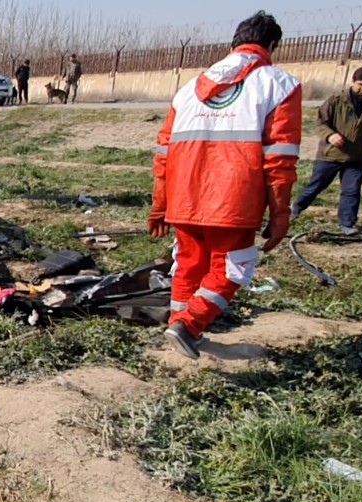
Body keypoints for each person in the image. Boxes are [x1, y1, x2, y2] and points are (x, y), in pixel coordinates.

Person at [149, 11, 301, 360]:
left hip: (184, 197)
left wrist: (161, 204)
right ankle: (188, 326)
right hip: (234, 199)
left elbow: (163, 152)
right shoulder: (279, 85)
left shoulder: (189, 89)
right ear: (272, 45)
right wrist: (280, 212)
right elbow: (280, 159)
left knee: (189, 264)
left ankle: (181, 327)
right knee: (232, 268)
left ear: (233, 43)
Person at [291, 66, 362, 236]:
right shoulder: (336, 100)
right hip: (330, 155)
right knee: (316, 186)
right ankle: (296, 209)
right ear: (353, 81)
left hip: (357, 157)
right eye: (361, 84)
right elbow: (320, 123)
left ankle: (347, 224)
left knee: (352, 191)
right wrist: (330, 135)